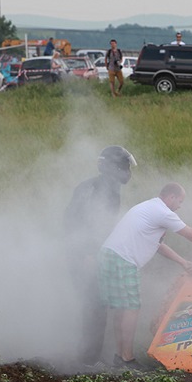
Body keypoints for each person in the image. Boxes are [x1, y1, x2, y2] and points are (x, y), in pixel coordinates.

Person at [98, 183, 192, 370]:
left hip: (109, 255)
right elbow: (191, 234)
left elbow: (157, 244)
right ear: (171, 197)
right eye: (180, 201)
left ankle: (120, 356)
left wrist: (183, 262)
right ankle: (127, 359)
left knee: (121, 308)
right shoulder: (163, 212)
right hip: (123, 260)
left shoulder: (148, 207)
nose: (180, 206)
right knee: (131, 308)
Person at [64, 146, 138, 369]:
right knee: (94, 305)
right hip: (85, 254)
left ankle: (92, 356)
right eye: (124, 167)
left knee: (98, 304)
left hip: (92, 252)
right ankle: (87, 360)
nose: (128, 172)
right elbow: (79, 223)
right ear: (111, 168)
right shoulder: (99, 189)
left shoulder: (106, 186)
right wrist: (87, 253)